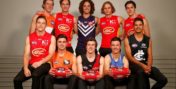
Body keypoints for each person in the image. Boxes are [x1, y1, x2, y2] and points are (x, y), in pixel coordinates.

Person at [13, 16, 56, 89]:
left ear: (46, 25)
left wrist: (40, 62)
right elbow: (26, 55)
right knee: (17, 80)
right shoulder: (29, 37)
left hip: (45, 64)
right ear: (35, 24)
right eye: (39, 22)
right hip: (32, 64)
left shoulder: (51, 37)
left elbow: (51, 54)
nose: (40, 25)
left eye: (43, 23)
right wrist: (26, 68)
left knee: (35, 75)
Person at [124, 18, 167, 89]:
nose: (138, 27)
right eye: (136, 25)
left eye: (140, 25)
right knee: (141, 72)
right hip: (133, 66)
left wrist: (149, 67)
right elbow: (129, 57)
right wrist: (143, 66)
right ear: (133, 26)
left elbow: (150, 55)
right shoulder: (128, 39)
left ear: (143, 26)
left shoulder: (148, 39)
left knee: (163, 80)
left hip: (146, 65)